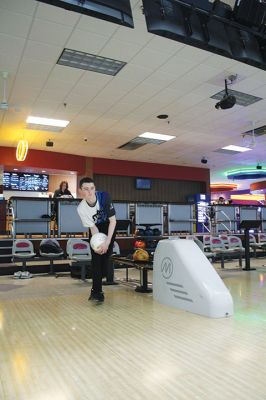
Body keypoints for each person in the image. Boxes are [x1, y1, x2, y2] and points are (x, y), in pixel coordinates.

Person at [77, 177, 116, 302]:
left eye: (92, 188)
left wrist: (107, 242)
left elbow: (113, 221)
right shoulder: (81, 209)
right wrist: (98, 245)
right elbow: (93, 229)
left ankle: (104, 276)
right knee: (96, 259)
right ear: (80, 191)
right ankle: (96, 292)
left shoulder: (104, 197)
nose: (90, 192)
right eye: (86, 189)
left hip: (109, 225)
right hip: (96, 229)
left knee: (105, 257)